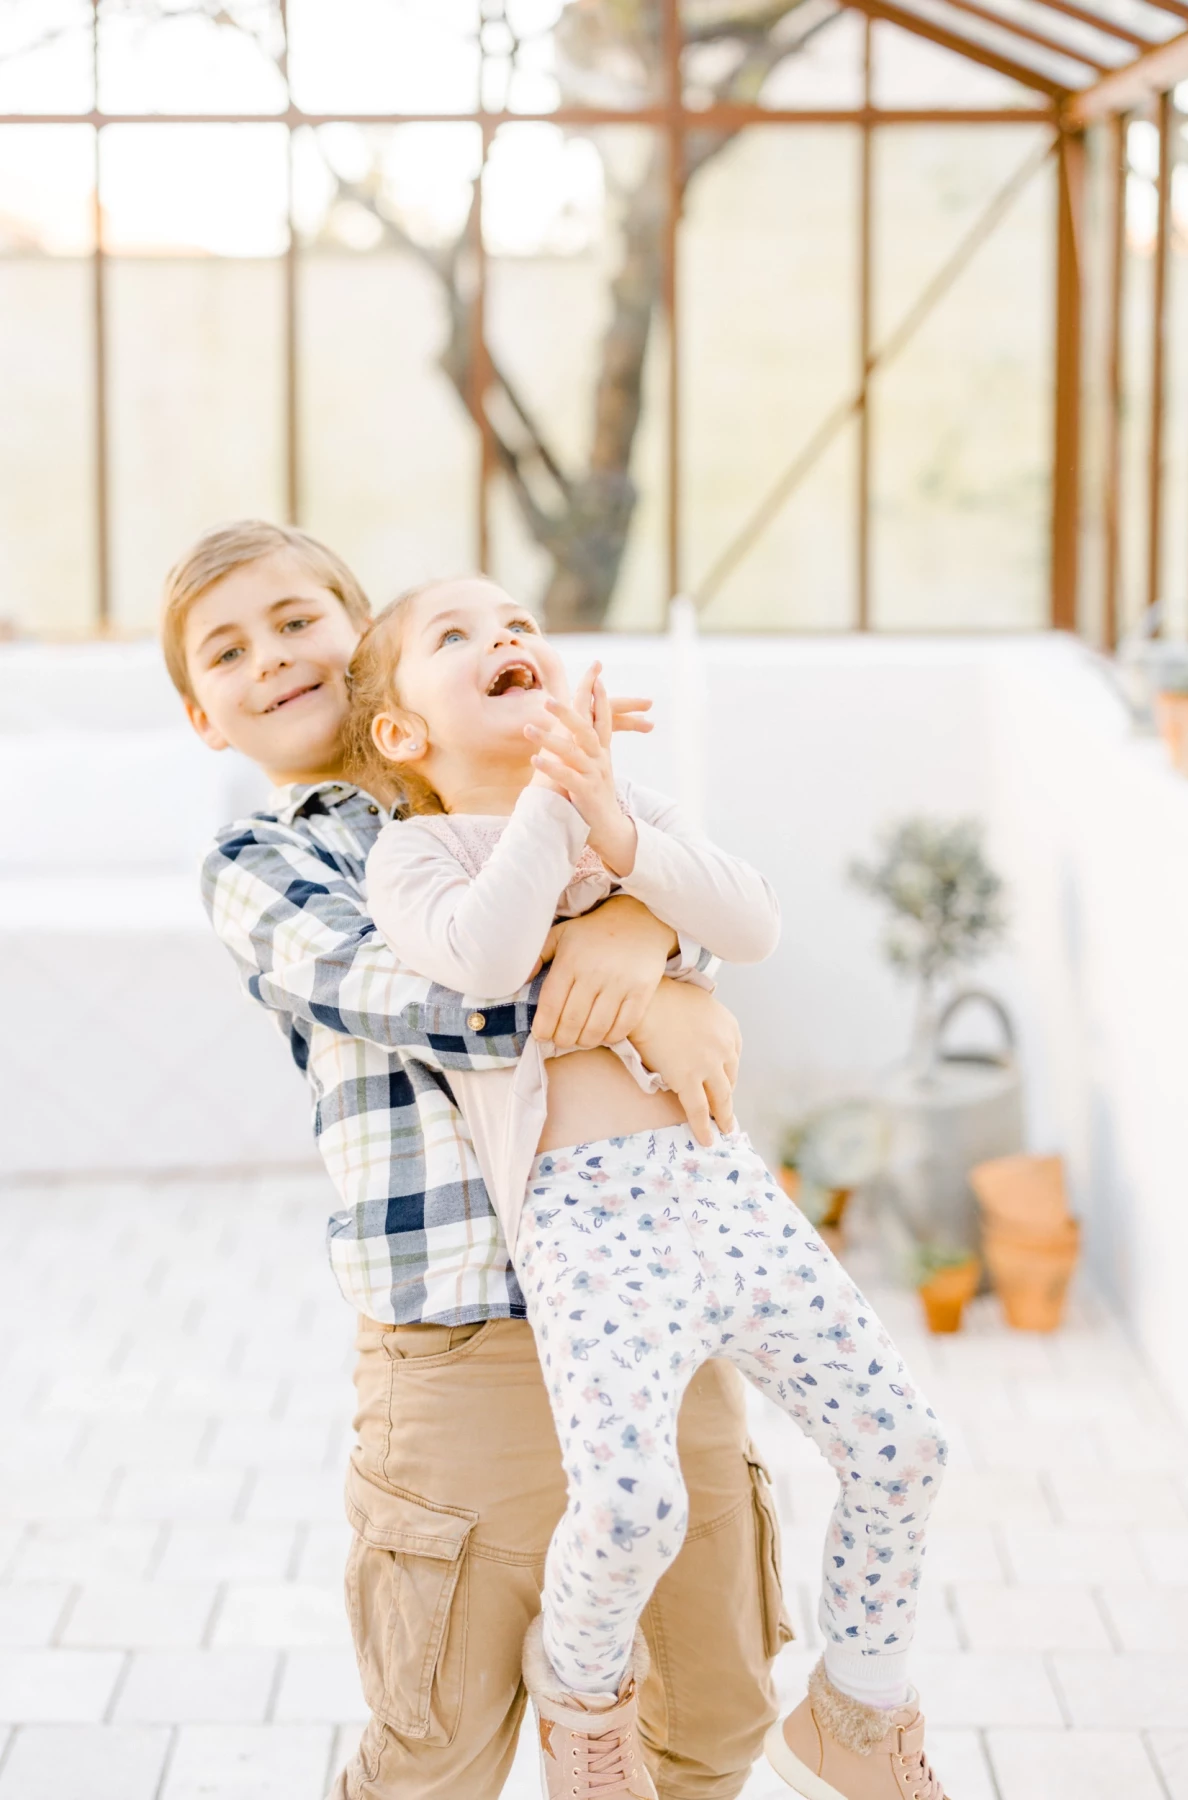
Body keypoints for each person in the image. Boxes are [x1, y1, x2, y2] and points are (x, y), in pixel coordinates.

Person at [162, 519, 793, 1800]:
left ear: (365, 638)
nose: (270, 657)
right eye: (227, 652)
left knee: (714, 1716)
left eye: (297, 620)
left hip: (658, 1309)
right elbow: (426, 996)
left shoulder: (512, 766)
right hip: (467, 1341)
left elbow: (706, 897)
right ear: (202, 718)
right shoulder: (267, 861)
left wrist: (643, 921)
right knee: (436, 1750)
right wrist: (639, 976)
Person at [348, 573, 952, 1800]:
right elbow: (485, 956)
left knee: (905, 1446)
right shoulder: (415, 854)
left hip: (721, 1184)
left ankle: (858, 1707)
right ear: (404, 734)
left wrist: (618, 832)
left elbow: (754, 922)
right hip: (586, 1221)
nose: (503, 636)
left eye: (518, 622)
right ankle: (582, 1698)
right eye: (456, 634)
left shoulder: (622, 809)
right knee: (631, 1508)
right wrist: (555, 800)